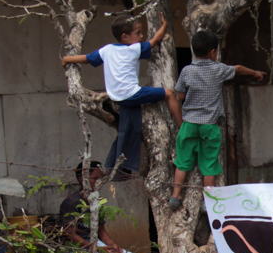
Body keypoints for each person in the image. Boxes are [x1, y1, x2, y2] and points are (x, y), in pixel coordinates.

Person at [61, 13, 183, 180]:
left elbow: (87, 58)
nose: (141, 37)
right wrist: (164, 25)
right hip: (131, 94)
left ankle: (116, 166)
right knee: (169, 93)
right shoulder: (134, 49)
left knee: (128, 127)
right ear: (125, 37)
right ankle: (182, 126)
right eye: (138, 33)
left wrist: (67, 59)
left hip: (116, 96)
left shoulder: (107, 50)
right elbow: (155, 40)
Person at [168, 30, 266, 209]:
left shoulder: (187, 71)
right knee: (209, 164)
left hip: (189, 124)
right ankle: (208, 202)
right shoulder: (218, 69)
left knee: (182, 163)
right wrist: (255, 73)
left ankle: (175, 196)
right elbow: (237, 69)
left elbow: (180, 95)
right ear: (213, 52)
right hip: (209, 126)